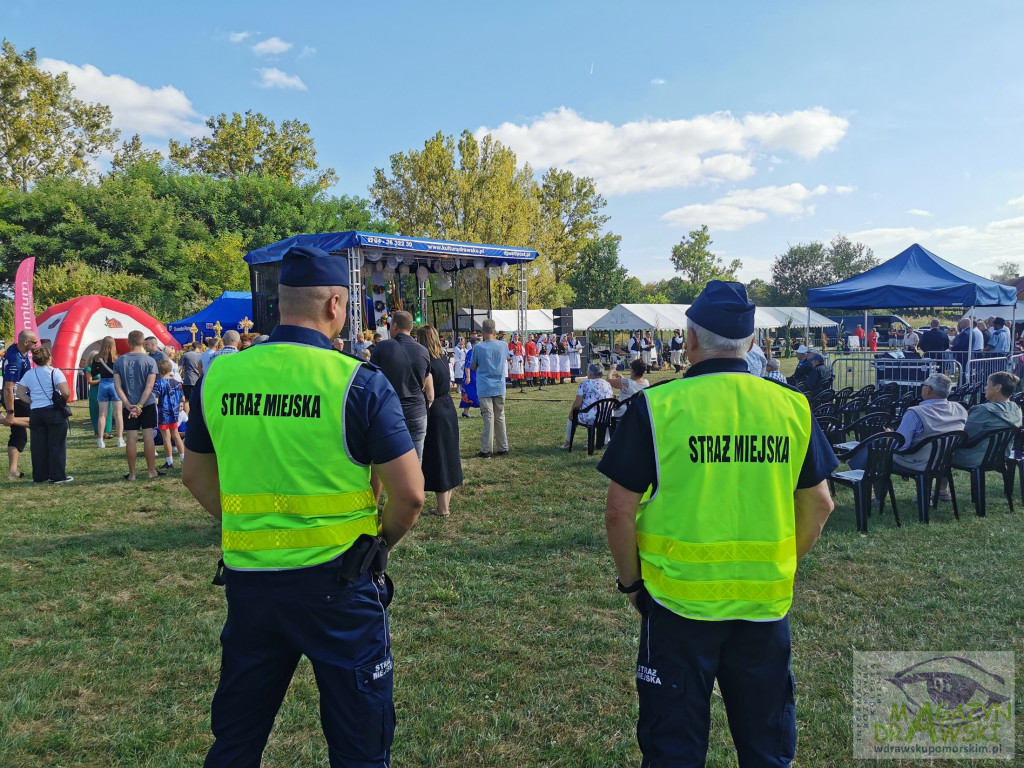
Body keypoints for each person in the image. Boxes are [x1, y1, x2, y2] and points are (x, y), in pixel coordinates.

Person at [182, 244, 424, 767]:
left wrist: (244, 522)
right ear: (336, 304)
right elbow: (410, 494)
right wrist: (381, 544)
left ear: (279, 303)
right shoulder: (355, 381)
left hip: (251, 582)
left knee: (237, 738)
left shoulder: (220, 376)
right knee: (359, 742)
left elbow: (195, 475)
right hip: (339, 581)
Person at [599, 280, 836, 767]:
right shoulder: (790, 406)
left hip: (676, 604)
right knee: (766, 749)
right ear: (751, 343)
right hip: (763, 605)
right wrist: (781, 563)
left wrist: (632, 585)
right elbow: (820, 505)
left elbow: (619, 510)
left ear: (687, 341)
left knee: (673, 751)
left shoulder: (660, 406)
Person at [371, 310, 434, 460]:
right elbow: (428, 388)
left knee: (385, 461)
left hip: (389, 412)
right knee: (415, 461)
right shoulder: (423, 351)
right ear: (411, 328)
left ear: (394, 326)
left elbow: (372, 380)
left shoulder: (382, 347)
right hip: (418, 413)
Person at [416, 325, 463, 518]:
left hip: (434, 407)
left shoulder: (425, 361)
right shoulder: (442, 357)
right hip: (448, 405)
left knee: (439, 456)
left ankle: (443, 508)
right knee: (449, 452)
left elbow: (427, 391)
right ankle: (444, 503)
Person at [16, 345, 74, 484]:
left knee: (38, 446)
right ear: (49, 357)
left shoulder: (30, 373)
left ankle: (40, 476)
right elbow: (66, 392)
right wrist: (61, 402)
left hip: (36, 412)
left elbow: (20, 394)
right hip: (53, 410)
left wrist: (32, 402)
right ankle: (58, 476)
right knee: (57, 445)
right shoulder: (55, 372)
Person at [113, 330, 161, 481]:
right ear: (143, 343)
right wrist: (140, 406)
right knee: (148, 437)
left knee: (131, 438)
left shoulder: (120, 361)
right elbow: (149, 386)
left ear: (128, 342)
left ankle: (132, 474)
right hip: (146, 404)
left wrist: (128, 404)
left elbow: (117, 386)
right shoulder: (150, 361)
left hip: (129, 405)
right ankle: (151, 471)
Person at [952, 371, 1022, 466]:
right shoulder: (1016, 409)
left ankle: (941, 481)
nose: (985, 388)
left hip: (974, 457)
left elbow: (964, 435)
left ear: (998, 388)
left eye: (987, 385)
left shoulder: (983, 410)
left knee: (939, 452)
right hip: (1000, 456)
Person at [470, 318, 509, 458]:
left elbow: (473, 366)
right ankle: (503, 447)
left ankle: (486, 449)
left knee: (488, 417)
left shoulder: (478, 348)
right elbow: (507, 358)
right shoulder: (503, 345)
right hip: (499, 385)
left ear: (483, 331)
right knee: (500, 416)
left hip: (485, 386)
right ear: (494, 330)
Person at [3, 329, 36, 479]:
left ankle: (13, 471)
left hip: (19, 397)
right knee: (36, 422)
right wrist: (10, 413)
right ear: (25, 342)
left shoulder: (18, 350)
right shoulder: (15, 360)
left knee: (18, 434)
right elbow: (9, 388)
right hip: (16, 398)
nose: (36, 345)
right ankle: (5, 420)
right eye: (34, 342)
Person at [559, 362, 614, 449]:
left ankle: (568, 443)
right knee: (598, 415)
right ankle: (604, 441)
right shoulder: (607, 384)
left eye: (588, 371)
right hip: (606, 416)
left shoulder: (584, 384)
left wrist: (571, 412)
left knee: (572, 418)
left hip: (591, 416)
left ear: (591, 373)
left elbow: (577, 403)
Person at [93, 336, 125, 449]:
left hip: (103, 384)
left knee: (102, 414)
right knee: (118, 414)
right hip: (115, 384)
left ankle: (100, 440)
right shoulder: (117, 358)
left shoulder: (97, 358)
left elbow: (94, 372)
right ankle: (120, 439)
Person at [153, 359, 185, 469]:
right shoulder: (176, 382)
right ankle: (183, 459)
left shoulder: (158, 384)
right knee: (176, 436)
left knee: (166, 438)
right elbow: (182, 398)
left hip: (163, 414)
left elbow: (156, 400)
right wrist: (180, 405)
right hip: (174, 413)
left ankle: (169, 461)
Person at [179, 342, 204, 412]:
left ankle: (187, 416)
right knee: (199, 399)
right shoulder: (202, 356)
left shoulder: (186, 355)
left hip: (188, 380)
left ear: (192, 347)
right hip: (199, 380)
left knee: (187, 400)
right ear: (200, 348)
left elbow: (180, 367)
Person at [460, 344, 479, 417]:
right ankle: (465, 412)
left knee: (477, 393)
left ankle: (483, 410)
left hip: (476, 374)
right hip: (471, 376)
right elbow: (467, 366)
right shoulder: (471, 353)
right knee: (469, 394)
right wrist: (468, 377)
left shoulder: (476, 352)